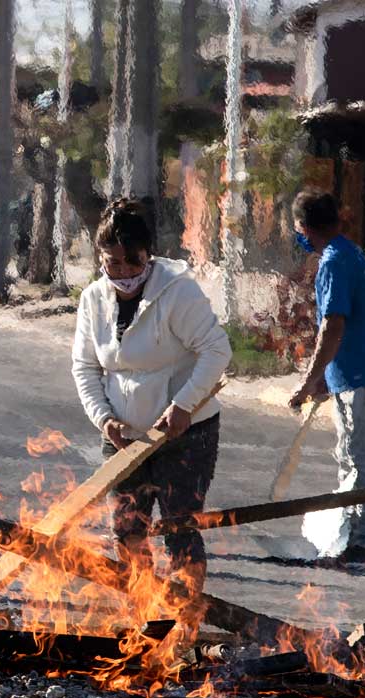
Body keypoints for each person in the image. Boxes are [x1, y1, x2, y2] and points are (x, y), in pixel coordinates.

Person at [71, 198, 231, 615]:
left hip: (185, 434)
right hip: (124, 438)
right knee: (127, 530)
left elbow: (216, 350)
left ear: (148, 255)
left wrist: (182, 406)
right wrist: (104, 419)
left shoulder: (178, 292)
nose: (123, 272)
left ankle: (184, 619)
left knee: (180, 530)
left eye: (132, 261)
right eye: (113, 263)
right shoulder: (92, 299)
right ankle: (142, 614)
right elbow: (85, 365)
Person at [287, 191, 365, 566]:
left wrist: (308, 381)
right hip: (360, 370)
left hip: (361, 373)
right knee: (354, 455)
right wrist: (323, 379)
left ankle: (363, 543)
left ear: (303, 228)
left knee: (358, 457)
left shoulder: (335, 261)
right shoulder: (349, 253)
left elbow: (333, 326)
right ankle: (357, 538)